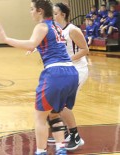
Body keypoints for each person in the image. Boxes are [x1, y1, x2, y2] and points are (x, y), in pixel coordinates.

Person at [0, 0, 79, 154]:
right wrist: (37, 48)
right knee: (54, 113)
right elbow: (51, 44)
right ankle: (61, 148)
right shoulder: (57, 26)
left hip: (55, 73)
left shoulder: (41, 26)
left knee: (40, 117)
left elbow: (31, 43)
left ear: (40, 11)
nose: (30, 12)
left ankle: (41, 151)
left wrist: (7, 40)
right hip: (71, 73)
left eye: (31, 9)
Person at [49, 2, 89, 151]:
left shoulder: (73, 30)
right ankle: (65, 134)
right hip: (65, 70)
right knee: (56, 103)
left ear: (63, 15)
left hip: (78, 70)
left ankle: (76, 137)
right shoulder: (56, 30)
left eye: (54, 13)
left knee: (63, 104)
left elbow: (85, 50)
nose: (52, 16)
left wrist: (67, 60)